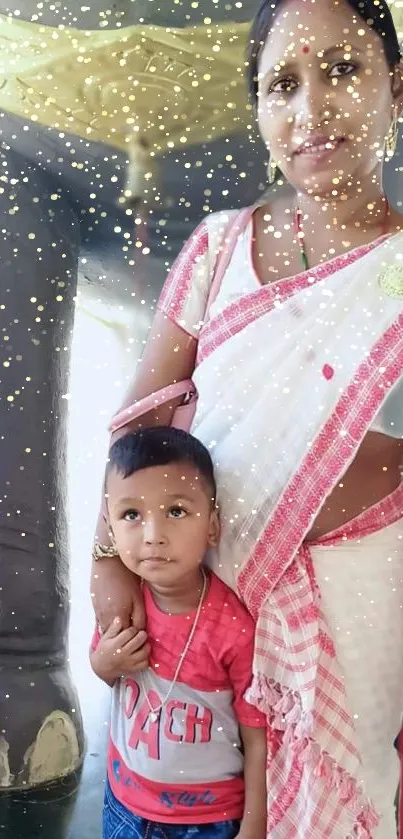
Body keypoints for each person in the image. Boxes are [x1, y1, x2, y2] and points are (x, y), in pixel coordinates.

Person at [91, 0, 403, 835]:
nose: (311, 110)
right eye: (281, 84)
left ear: (396, 88)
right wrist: (110, 564)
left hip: (357, 602)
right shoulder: (219, 246)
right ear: (259, 108)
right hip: (196, 591)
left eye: (342, 70)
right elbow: (141, 421)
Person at [90, 426, 267, 839]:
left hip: (207, 820)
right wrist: (105, 663)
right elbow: (103, 667)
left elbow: (257, 738)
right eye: (131, 515)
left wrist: (254, 827)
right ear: (111, 531)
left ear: (212, 526)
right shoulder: (122, 604)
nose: (153, 536)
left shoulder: (234, 628)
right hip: (124, 805)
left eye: (176, 511)